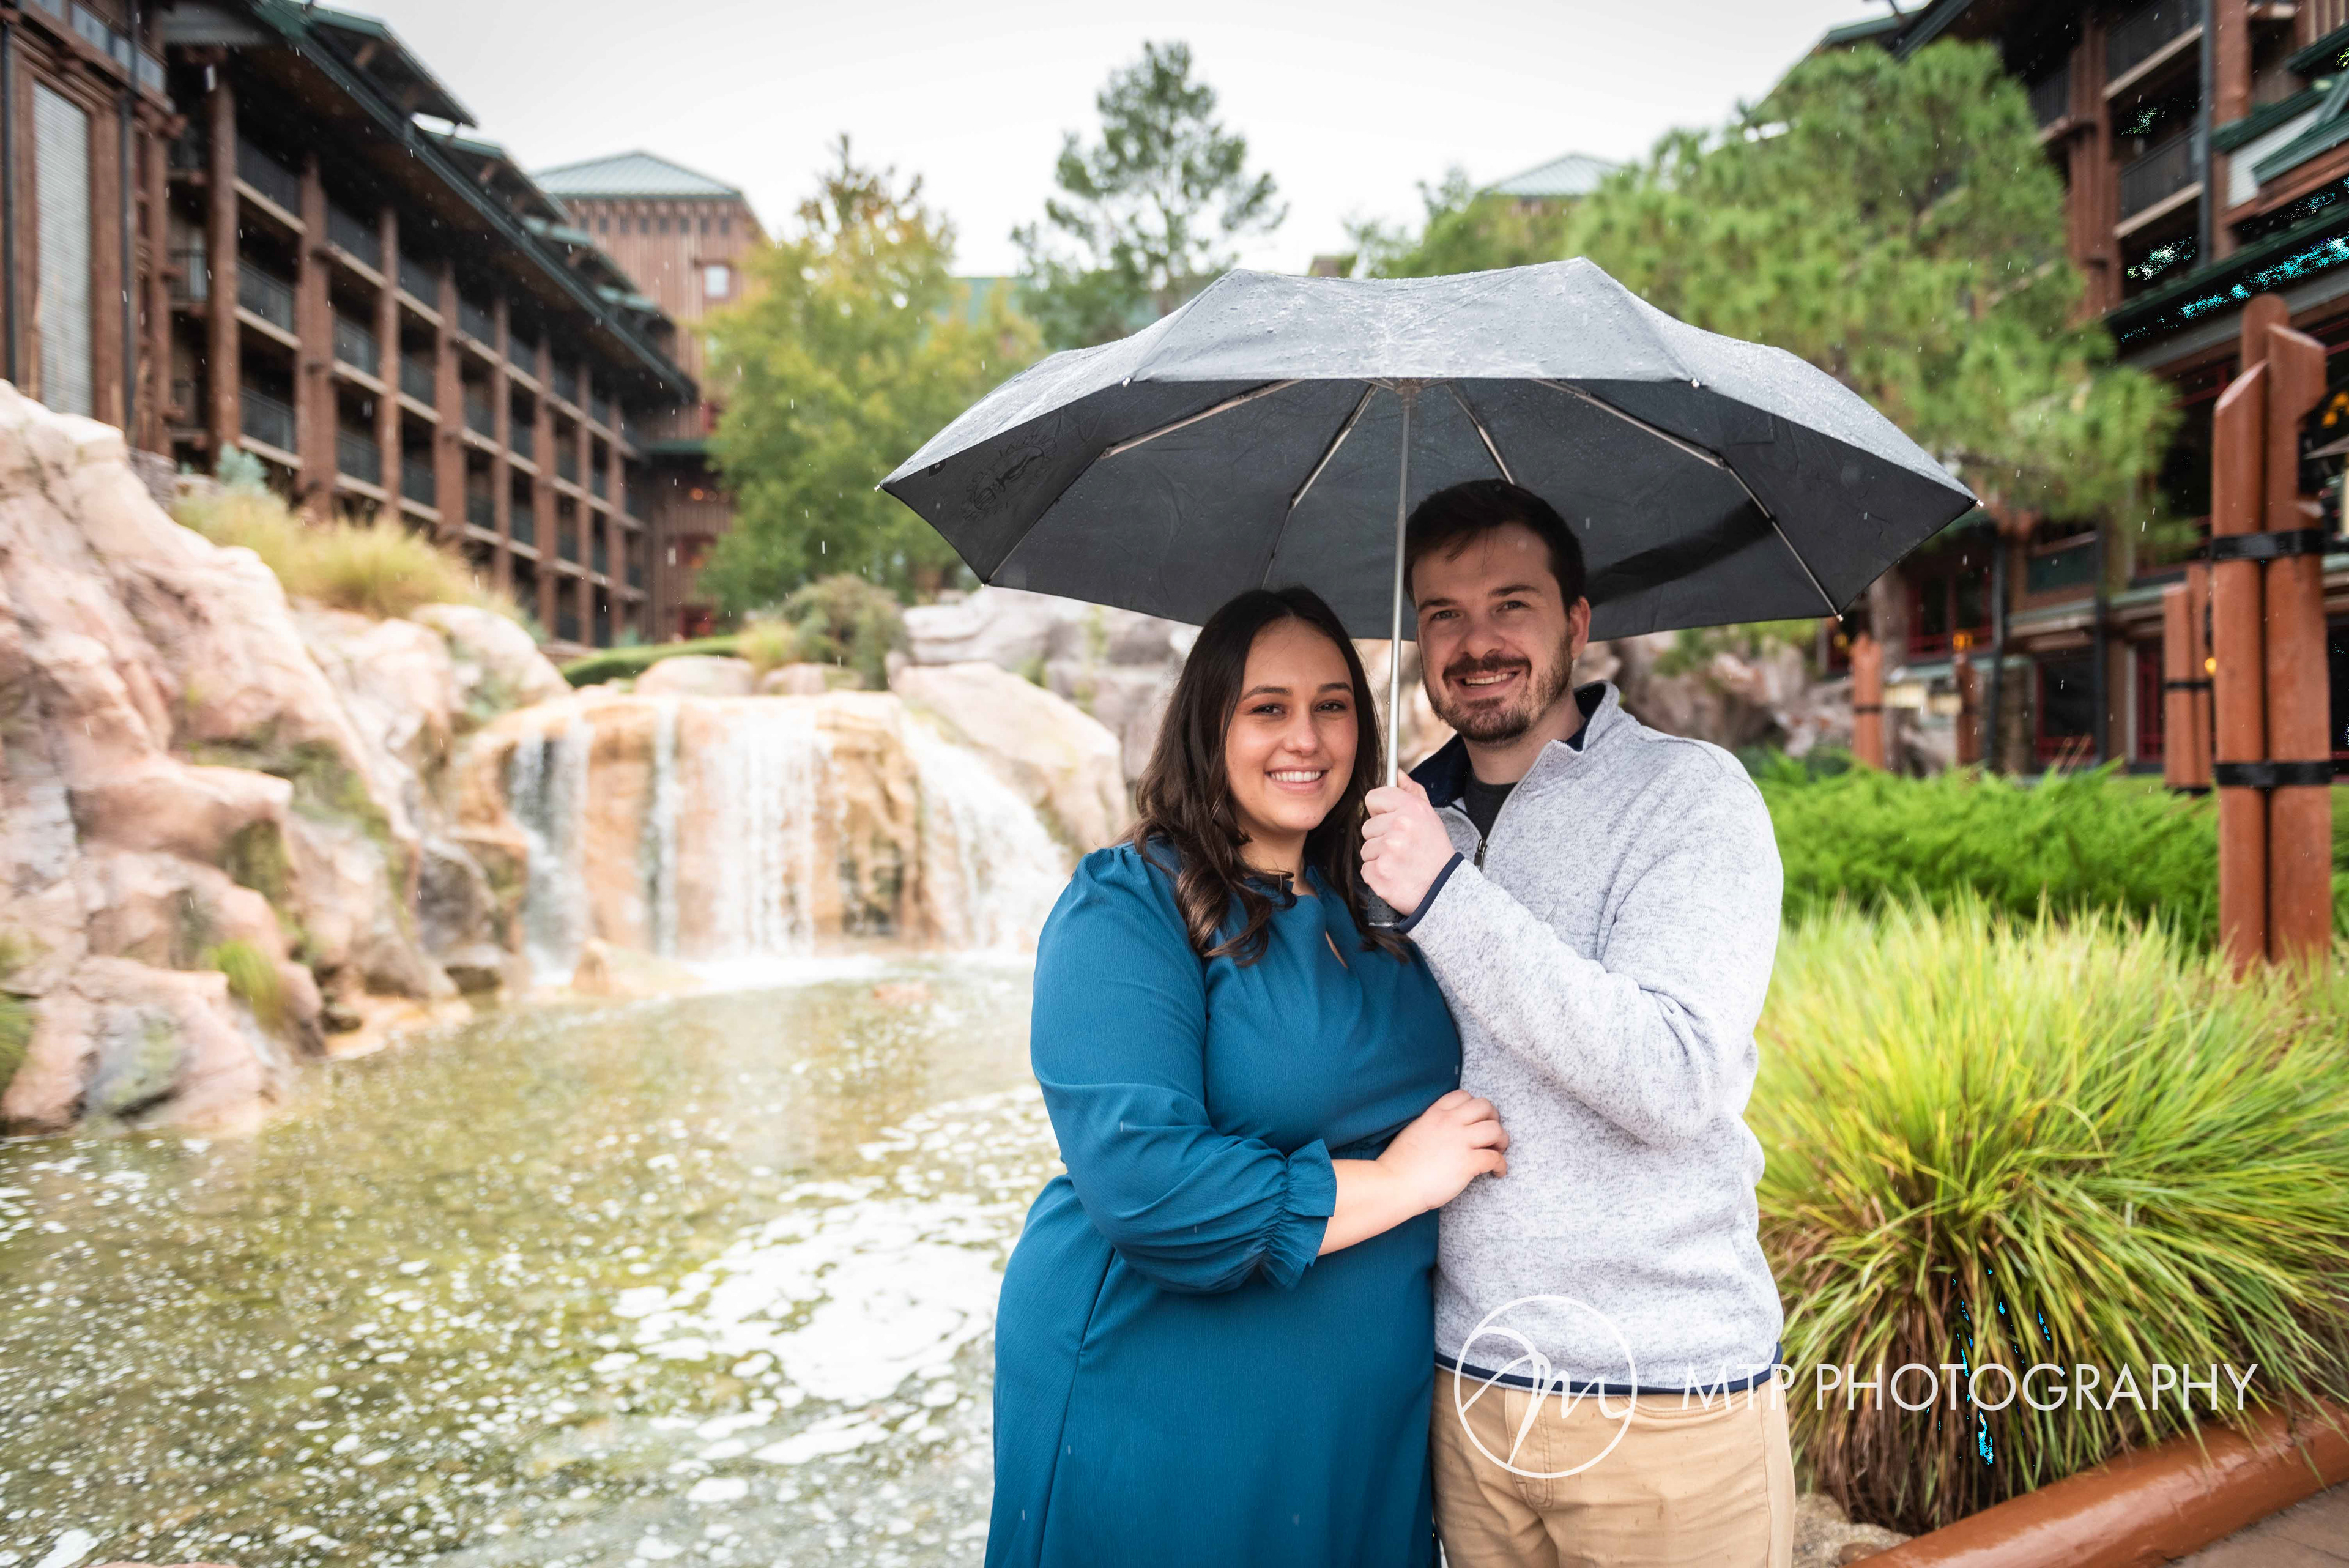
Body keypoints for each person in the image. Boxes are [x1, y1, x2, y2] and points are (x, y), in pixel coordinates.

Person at [986, 584, 1508, 1568]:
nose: (1303, 738)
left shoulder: (1384, 903)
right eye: (1266, 708)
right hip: (1165, 1394)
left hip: (1357, 1412)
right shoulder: (1129, 904)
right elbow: (1149, 1184)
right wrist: (1402, 1182)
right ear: (1208, 724)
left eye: (1332, 705)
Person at [1358, 480, 1794, 1568]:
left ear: (1577, 623)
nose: (1477, 642)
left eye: (1513, 604)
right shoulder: (1396, 823)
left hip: (1665, 1398)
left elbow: (1674, 1076)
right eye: (1444, 614)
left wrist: (1445, 899)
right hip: (1467, 1385)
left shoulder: (1690, 797)